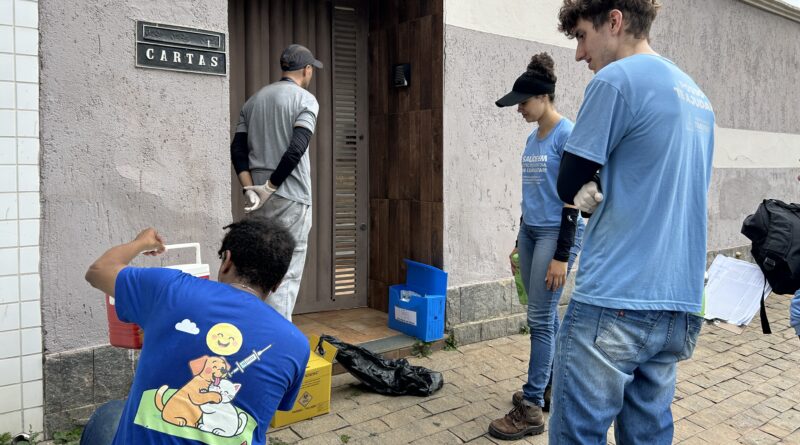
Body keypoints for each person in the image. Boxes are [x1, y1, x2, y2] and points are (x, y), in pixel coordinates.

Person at [551, 1, 714, 443]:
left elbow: (568, 182)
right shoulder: (698, 96)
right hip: (677, 303)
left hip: (615, 300)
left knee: (576, 434)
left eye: (583, 36)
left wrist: (583, 188)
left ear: (615, 21)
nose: (580, 54)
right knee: (647, 435)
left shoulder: (616, 80)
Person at [81, 217, 310, 445]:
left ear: (227, 261)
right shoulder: (297, 345)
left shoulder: (169, 289)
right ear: (277, 283)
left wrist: (142, 242)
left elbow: (98, 270)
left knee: (110, 413)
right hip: (199, 418)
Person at [488, 53, 583, 441]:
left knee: (541, 320)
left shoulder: (567, 135)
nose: (519, 110)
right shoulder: (532, 138)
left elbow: (575, 198)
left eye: (523, 103)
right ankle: (549, 386)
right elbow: (532, 193)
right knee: (544, 317)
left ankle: (530, 409)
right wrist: (517, 240)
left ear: (544, 98)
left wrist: (562, 254)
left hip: (555, 236)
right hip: (530, 232)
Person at [230, 44, 323, 320]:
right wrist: (271, 187)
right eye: (311, 70)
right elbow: (296, 149)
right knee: (287, 272)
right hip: (291, 198)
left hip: (258, 200)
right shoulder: (305, 100)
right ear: (307, 70)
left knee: (258, 269)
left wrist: (251, 188)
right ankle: (275, 347)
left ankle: (251, 335)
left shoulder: (254, 100)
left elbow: (237, 150)